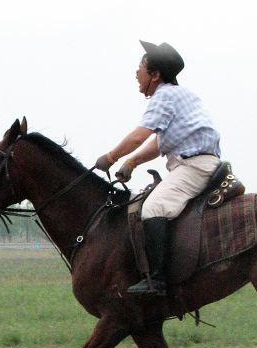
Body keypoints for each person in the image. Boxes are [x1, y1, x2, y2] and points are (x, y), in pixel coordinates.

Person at [95, 40, 222, 296]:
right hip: (195, 162)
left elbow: (138, 137)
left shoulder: (164, 95)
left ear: (155, 75)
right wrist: (132, 162)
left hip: (193, 166)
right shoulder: (180, 95)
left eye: (140, 68)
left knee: (154, 207)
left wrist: (110, 157)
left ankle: (158, 280)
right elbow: (159, 143)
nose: (136, 74)